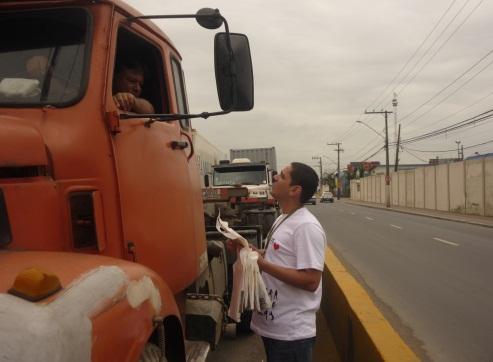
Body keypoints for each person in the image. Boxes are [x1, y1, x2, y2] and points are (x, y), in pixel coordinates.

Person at [250, 162, 326, 362]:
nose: (275, 177)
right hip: (275, 326)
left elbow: (311, 280)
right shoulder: (283, 218)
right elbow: (281, 255)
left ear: (295, 190)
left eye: (282, 176)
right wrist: (254, 252)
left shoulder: (306, 226)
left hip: (292, 335)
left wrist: (264, 265)